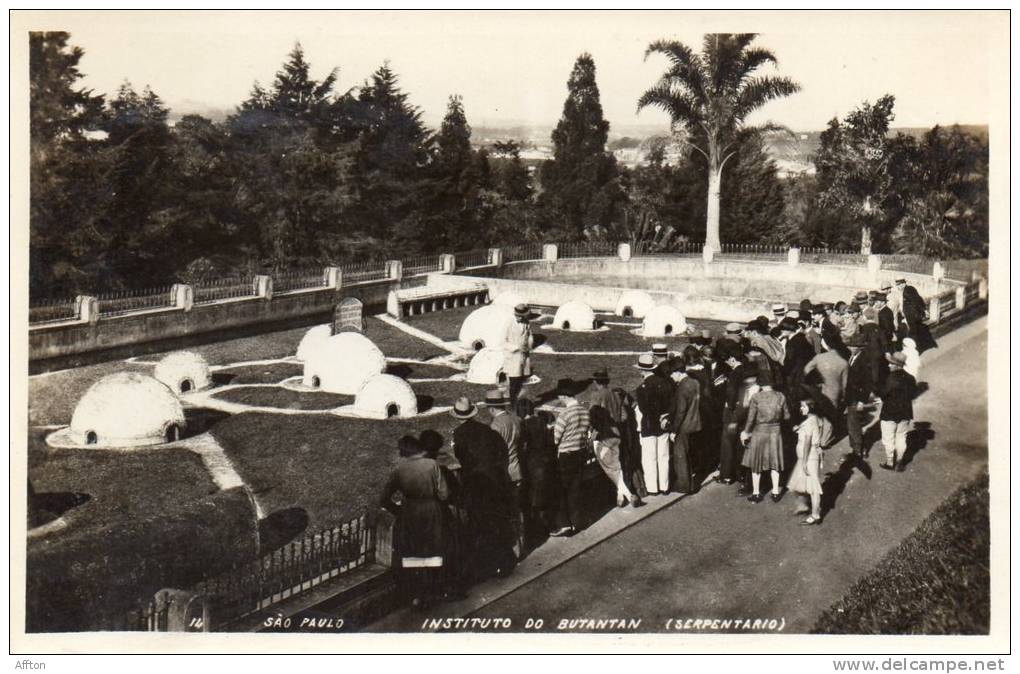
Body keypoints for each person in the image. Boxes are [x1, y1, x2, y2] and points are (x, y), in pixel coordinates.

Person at [380, 435, 450, 608]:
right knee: (433, 549)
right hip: (431, 510)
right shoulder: (432, 465)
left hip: (410, 512)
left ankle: (417, 594)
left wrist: (398, 511)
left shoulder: (399, 470)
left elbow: (384, 498)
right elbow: (444, 493)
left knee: (414, 551)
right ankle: (433, 591)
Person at [451, 397, 516, 579]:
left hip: (477, 483)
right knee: (497, 520)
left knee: (481, 523)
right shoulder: (486, 429)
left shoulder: (459, 434)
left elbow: (462, 458)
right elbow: (501, 451)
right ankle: (503, 561)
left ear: (457, 416)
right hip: (494, 480)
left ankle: (490, 564)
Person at [584, 368, 642, 508]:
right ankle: (620, 497)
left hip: (603, 435)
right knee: (616, 466)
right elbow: (624, 416)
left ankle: (628, 495)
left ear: (595, 382)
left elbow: (593, 417)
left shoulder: (596, 396)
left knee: (611, 469)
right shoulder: (616, 395)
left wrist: (593, 432)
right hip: (617, 434)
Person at [551, 379, 592, 536]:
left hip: (566, 455)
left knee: (562, 489)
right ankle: (577, 521)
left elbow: (555, 439)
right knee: (576, 488)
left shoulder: (565, 414)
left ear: (564, 396)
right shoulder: (584, 411)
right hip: (580, 452)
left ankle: (564, 524)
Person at [740, 372, 789, 503]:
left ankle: (756, 493)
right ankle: (775, 492)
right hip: (776, 432)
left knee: (756, 463)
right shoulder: (780, 396)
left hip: (759, 432)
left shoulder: (756, 397)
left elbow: (750, 418)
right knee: (775, 462)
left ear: (760, 383)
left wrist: (746, 432)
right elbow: (787, 416)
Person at [515, 397, 559, 546]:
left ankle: (539, 531)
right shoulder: (541, 421)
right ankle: (549, 525)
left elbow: (522, 446)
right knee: (546, 495)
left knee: (534, 499)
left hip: (533, 465)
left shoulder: (524, 425)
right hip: (546, 461)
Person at [487, 389, 524, 554]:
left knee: (507, 511)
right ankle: (522, 544)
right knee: (517, 510)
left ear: (492, 409)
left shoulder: (496, 425)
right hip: (517, 468)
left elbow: (494, 451)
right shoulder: (515, 419)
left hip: (505, 472)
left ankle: (514, 548)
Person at [633, 354, 674, 496]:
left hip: (649, 425)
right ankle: (665, 486)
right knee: (664, 456)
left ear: (642, 370)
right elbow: (670, 404)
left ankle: (652, 488)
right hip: (664, 424)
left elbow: (645, 410)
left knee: (649, 458)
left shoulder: (642, 388)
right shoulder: (665, 383)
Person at [786, 398, 825, 526]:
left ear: (811, 408)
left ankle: (815, 515)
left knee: (813, 487)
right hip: (807, 457)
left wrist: (804, 462)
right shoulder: (812, 420)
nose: (801, 408)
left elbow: (808, 442)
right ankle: (804, 506)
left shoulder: (810, 422)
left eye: (803, 406)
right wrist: (799, 428)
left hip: (808, 457)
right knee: (800, 483)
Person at [878, 352, 917, 472]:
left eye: (891, 363)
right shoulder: (911, 378)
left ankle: (890, 462)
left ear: (897, 365)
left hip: (889, 412)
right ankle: (900, 461)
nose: (889, 366)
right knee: (901, 436)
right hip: (905, 411)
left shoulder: (890, 378)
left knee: (888, 438)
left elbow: (884, 395)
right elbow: (912, 394)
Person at [667, 360, 700, 495]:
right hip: (695, 422)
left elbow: (681, 411)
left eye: (672, 374)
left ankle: (683, 485)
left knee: (680, 456)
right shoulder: (695, 383)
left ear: (678, 373)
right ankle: (690, 483)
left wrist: (674, 430)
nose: (671, 377)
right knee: (688, 454)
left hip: (684, 426)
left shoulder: (681, 387)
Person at [803, 345, 848, 436]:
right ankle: (824, 440)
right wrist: (844, 396)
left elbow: (806, 370)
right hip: (834, 392)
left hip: (818, 390)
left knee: (817, 413)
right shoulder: (843, 363)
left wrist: (815, 381)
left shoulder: (819, 357)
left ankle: (816, 436)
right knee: (830, 415)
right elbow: (845, 385)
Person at [844, 335, 877, 459]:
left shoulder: (863, 360)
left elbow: (868, 383)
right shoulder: (854, 356)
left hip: (856, 398)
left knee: (854, 425)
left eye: (853, 346)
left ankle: (858, 451)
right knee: (851, 424)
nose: (850, 348)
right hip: (851, 397)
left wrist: (862, 401)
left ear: (860, 348)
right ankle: (856, 448)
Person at [503, 303, 534, 406]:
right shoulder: (509, 323)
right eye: (518, 316)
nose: (519, 318)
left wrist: (529, 345)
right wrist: (516, 348)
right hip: (513, 357)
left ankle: (519, 402)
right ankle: (512, 404)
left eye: (521, 316)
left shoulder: (526, 323)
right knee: (513, 382)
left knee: (521, 380)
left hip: (524, 356)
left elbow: (529, 335)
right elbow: (503, 341)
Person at [898, 280, 938, 354]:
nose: (898, 286)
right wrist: (924, 310)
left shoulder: (907, 291)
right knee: (916, 332)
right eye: (897, 285)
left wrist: (922, 310)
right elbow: (919, 299)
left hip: (912, 317)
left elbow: (915, 301)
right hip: (914, 316)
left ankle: (917, 350)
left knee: (913, 333)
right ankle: (918, 348)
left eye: (900, 284)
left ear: (904, 283)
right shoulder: (909, 289)